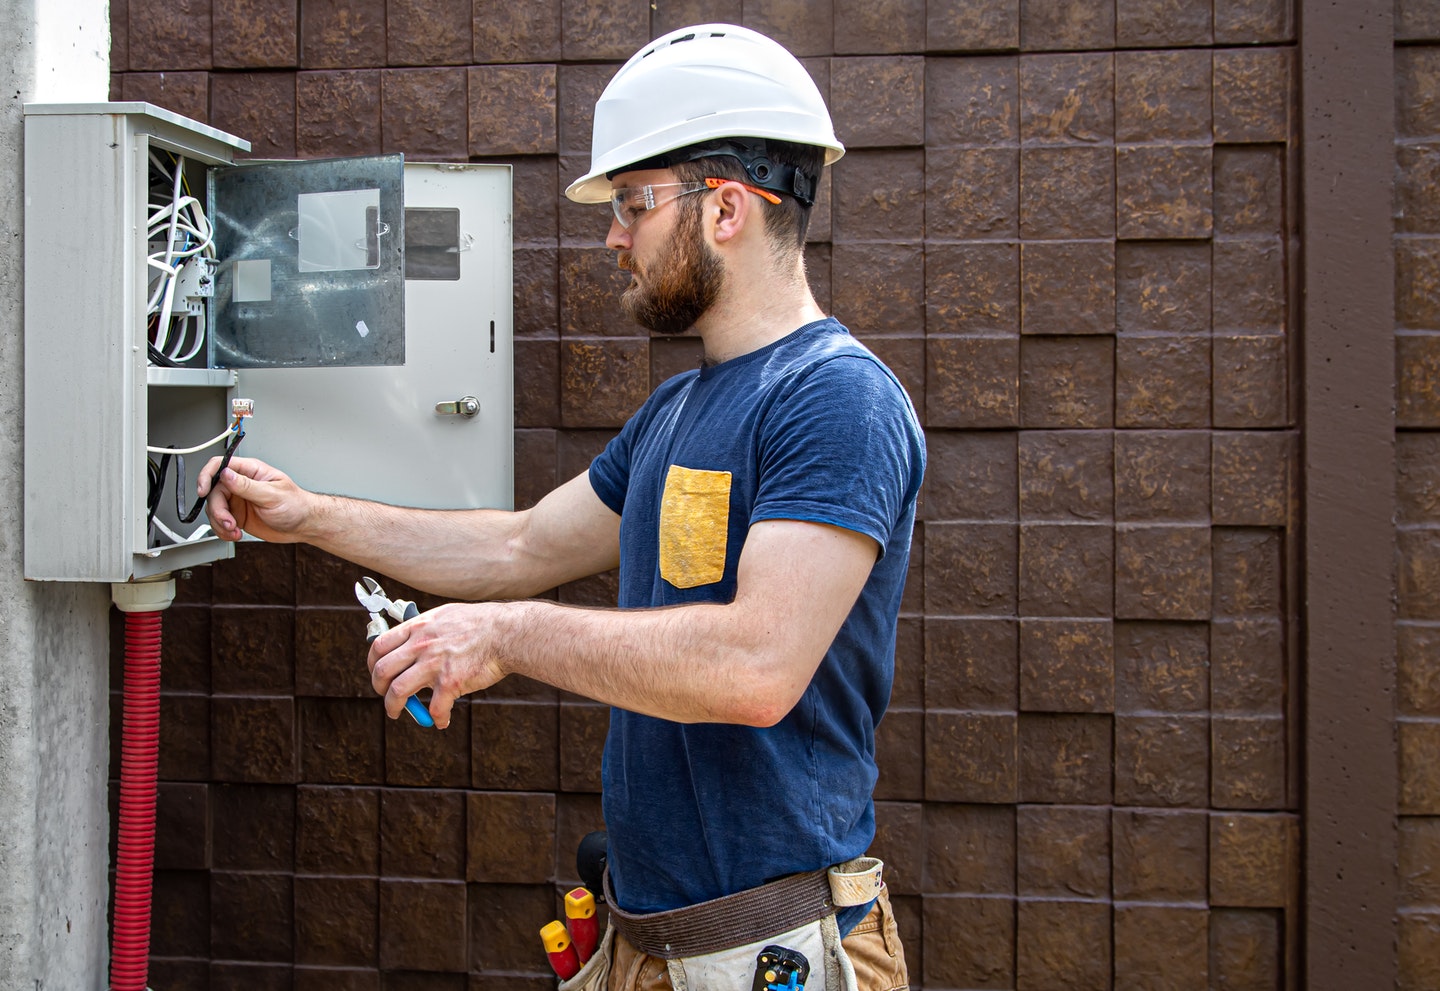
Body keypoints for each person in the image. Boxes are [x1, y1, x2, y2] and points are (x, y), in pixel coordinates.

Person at [201, 23, 924, 991]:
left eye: (631, 203)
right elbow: (518, 546)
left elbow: (755, 666)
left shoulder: (833, 397)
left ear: (726, 208)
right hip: (649, 937)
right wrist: (307, 516)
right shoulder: (679, 407)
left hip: (769, 951)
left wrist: (503, 638)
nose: (612, 236)